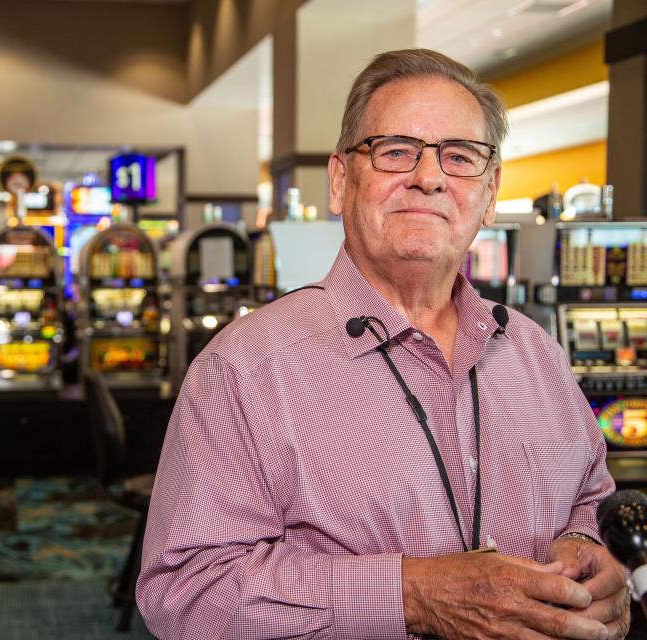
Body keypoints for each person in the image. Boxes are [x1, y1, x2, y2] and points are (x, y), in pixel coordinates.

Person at [136, 49, 629, 640]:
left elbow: (589, 497)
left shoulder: (534, 351)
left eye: (459, 156)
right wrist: (414, 595)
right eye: (396, 150)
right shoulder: (244, 365)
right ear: (342, 180)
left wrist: (588, 548)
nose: (429, 177)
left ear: (490, 192)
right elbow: (185, 594)